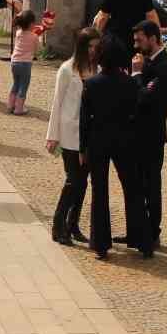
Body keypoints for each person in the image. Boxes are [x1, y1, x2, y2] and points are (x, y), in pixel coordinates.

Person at [78, 33, 142, 260]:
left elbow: (85, 119)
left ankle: (101, 243)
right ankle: (142, 238)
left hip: (99, 139)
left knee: (100, 190)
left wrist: (82, 147)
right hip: (125, 138)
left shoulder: (92, 84)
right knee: (132, 188)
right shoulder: (131, 83)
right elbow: (136, 113)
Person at [124, 20, 167, 250]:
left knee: (151, 186)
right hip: (137, 134)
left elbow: (147, 97)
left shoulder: (165, 66)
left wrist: (136, 75)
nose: (136, 45)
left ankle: (152, 232)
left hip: (152, 136)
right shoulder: (147, 61)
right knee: (136, 185)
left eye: (139, 40)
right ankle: (137, 232)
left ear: (153, 38)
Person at [47, 27, 98, 245]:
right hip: (69, 134)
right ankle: (58, 225)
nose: (95, 51)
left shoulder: (97, 70)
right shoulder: (67, 69)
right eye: (92, 47)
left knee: (83, 182)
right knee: (73, 180)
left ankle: (73, 224)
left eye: (98, 47)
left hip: (89, 135)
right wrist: (52, 135)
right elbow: (57, 102)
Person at [7, 10, 41, 116]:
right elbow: (37, 50)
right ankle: (19, 108)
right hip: (25, 64)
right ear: (31, 24)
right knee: (23, 85)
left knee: (16, 84)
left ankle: (10, 105)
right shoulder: (34, 36)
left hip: (14, 62)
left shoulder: (18, 33)